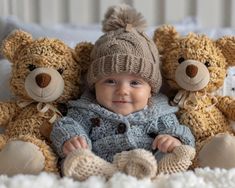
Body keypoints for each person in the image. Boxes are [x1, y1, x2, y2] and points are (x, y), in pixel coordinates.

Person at [50, 4, 195, 181]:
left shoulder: (160, 112)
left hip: (152, 164)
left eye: (135, 83)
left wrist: (174, 139)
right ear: (95, 85)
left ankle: (157, 173)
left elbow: (182, 130)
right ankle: (105, 173)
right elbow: (65, 124)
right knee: (76, 160)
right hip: (99, 166)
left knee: (182, 153)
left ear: (151, 90)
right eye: (110, 81)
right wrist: (71, 138)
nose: (122, 91)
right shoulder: (86, 109)